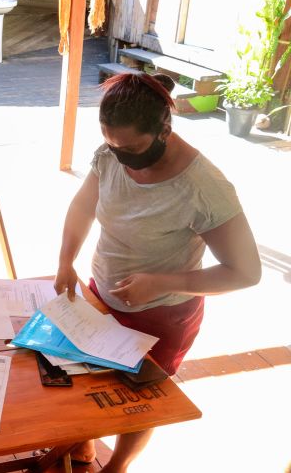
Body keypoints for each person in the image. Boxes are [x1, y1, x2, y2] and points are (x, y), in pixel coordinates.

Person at [54, 73, 261, 472]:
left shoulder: (203, 187)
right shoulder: (110, 153)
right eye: (112, 144)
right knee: (89, 382)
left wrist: (162, 283)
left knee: (138, 403)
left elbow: (245, 272)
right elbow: (83, 206)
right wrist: (67, 260)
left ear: (165, 128)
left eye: (131, 148)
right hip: (103, 296)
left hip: (163, 315)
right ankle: (84, 444)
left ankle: (118, 465)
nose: (120, 156)